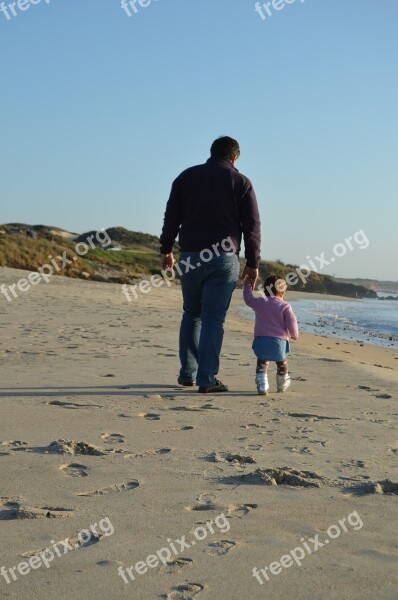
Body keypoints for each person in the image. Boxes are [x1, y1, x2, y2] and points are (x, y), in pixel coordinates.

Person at [160, 136, 261, 393]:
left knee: (191, 314)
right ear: (235, 157)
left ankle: (187, 374)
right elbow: (252, 226)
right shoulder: (241, 182)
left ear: (212, 153)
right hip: (223, 258)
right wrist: (253, 262)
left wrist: (166, 249)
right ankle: (206, 379)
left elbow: (171, 216)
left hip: (191, 256)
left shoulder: (186, 177)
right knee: (213, 320)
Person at [243, 275, 299, 395]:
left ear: (264, 290)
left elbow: (248, 299)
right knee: (282, 363)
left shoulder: (259, 302)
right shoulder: (285, 306)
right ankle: (282, 384)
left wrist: (248, 283)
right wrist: (294, 334)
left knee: (262, 363)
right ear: (283, 292)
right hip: (279, 342)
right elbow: (291, 321)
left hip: (261, 340)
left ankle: (262, 385)